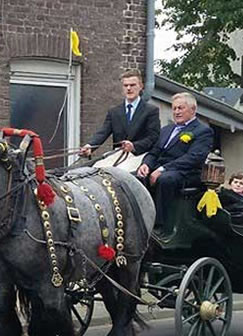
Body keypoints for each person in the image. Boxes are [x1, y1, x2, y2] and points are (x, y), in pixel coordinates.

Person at [137, 92, 213, 228]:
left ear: (193, 109)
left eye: (180, 108)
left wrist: (161, 169)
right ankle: (138, 220)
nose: (176, 112)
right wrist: (145, 165)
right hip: (162, 169)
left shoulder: (203, 131)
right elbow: (154, 152)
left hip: (186, 172)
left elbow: (194, 158)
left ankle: (160, 225)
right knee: (134, 178)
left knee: (165, 180)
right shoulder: (166, 130)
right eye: (174, 109)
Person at [80, 69, 160, 165]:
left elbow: (153, 137)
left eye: (132, 85)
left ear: (141, 86)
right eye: (126, 85)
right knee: (96, 169)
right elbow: (102, 133)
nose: (129, 88)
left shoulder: (151, 111)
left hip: (140, 156)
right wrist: (90, 146)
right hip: (117, 155)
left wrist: (134, 146)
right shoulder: (114, 112)